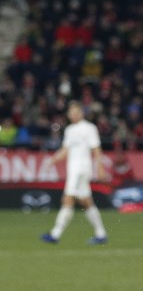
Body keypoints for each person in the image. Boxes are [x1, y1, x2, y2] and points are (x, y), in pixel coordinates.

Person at [41, 101, 108, 245]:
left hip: (81, 169)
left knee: (67, 199)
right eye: (71, 113)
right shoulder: (70, 130)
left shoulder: (89, 128)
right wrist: (52, 160)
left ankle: (55, 234)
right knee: (86, 201)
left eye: (76, 113)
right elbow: (65, 150)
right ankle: (101, 234)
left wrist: (100, 168)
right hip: (74, 169)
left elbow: (96, 149)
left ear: (81, 113)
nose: (73, 115)